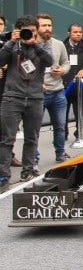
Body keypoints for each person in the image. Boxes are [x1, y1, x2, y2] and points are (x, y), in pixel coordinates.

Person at [0, 15, 54, 190]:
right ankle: (3, 176)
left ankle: (28, 170)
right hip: (12, 98)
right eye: (26, 30)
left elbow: (49, 62)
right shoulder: (12, 47)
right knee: (7, 139)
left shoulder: (42, 46)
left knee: (32, 137)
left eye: (32, 30)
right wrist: (11, 42)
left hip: (35, 98)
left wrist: (34, 44)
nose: (29, 33)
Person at [37, 13, 71, 162]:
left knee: (60, 126)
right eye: (44, 25)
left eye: (49, 25)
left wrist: (63, 70)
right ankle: (34, 158)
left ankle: (60, 152)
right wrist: (36, 83)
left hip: (58, 91)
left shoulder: (58, 44)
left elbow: (66, 62)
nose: (47, 28)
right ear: (37, 27)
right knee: (34, 129)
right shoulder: (31, 45)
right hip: (38, 93)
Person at [0, 15, 23, 168]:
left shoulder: (8, 42)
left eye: (1, 24)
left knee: (7, 128)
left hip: (7, 90)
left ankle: (9, 157)